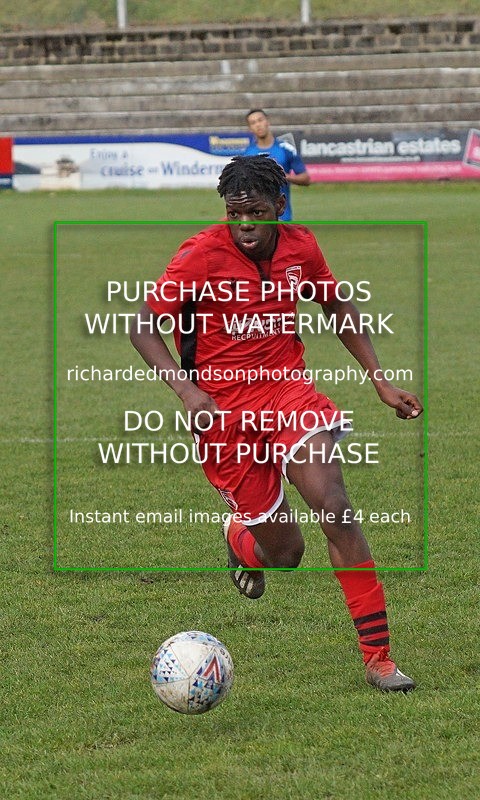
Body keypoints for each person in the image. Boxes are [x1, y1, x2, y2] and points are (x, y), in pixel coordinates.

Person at [130, 154, 423, 692]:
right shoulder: (200, 255)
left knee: (334, 507)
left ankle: (379, 658)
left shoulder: (301, 246)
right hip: (221, 412)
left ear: (280, 207)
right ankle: (241, 541)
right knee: (286, 554)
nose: (244, 225)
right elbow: (143, 325)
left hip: (288, 393)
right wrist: (185, 388)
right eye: (234, 213)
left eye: (256, 213)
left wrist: (379, 377)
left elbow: (337, 306)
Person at [244, 108, 310, 221]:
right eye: (253, 123)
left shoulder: (286, 149)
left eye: (260, 120)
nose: (258, 125)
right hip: (257, 218)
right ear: (250, 128)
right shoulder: (247, 154)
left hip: (282, 216)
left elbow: (306, 179)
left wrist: (285, 177)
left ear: (267, 121)